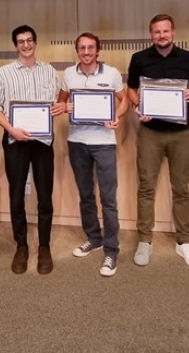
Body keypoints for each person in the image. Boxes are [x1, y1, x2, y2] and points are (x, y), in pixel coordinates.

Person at [126, 14, 189, 268]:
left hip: (181, 133)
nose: (161, 36)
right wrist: (138, 103)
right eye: (156, 32)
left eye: (165, 31)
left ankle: (183, 241)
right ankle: (144, 240)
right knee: (146, 188)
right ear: (151, 34)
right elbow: (130, 89)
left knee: (181, 188)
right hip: (150, 133)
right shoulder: (139, 59)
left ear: (173, 32)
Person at [0, 25, 64, 275]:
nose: (26, 45)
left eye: (29, 40)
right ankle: (21, 245)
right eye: (21, 41)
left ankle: (44, 246)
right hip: (15, 141)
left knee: (45, 195)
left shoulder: (50, 72)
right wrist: (12, 130)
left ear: (36, 42)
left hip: (43, 142)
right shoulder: (4, 73)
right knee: (16, 196)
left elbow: (57, 103)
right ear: (15, 45)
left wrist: (59, 108)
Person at [58, 32, 129, 277]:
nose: (86, 52)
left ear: (98, 50)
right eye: (82, 48)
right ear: (76, 50)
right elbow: (61, 103)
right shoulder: (68, 74)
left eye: (91, 48)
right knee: (86, 195)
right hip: (77, 142)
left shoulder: (111, 74)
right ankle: (94, 238)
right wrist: (65, 106)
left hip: (104, 143)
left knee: (108, 200)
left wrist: (116, 116)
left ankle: (111, 250)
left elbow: (125, 101)